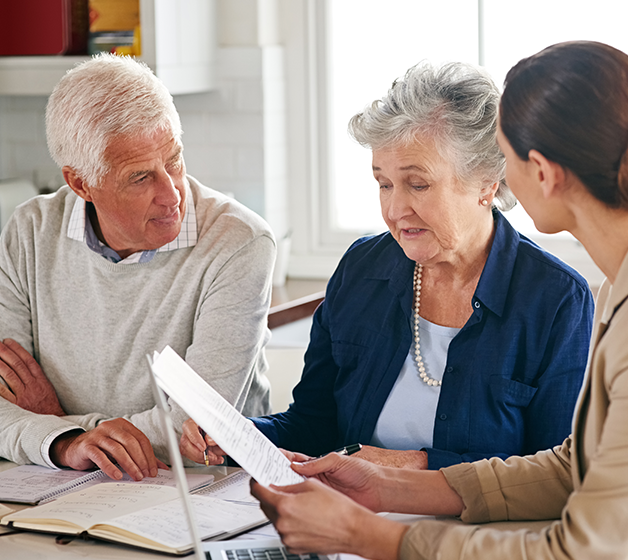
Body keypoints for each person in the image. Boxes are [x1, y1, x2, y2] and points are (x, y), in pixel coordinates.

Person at [246, 42, 628, 560]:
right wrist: (393, 489)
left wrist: (377, 539)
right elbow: (574, 465)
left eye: (503, 154)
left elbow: (582, 549)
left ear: (541, 172)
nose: (499, 175)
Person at [181, 62, 594, 470]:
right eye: (383, 184)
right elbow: (313, 424)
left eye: (418, 184)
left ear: (487, 182)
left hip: (473, 535)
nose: (395, 210)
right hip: (348, 522)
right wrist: (236, 434)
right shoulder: (362, 268)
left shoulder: (556, 300)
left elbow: (552, 475)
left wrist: (410, 467)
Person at [0, 53, 275, 482]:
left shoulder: (238, 243)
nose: (172, 195)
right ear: (80, 184)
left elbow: (195, 422)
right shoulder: (30, 232)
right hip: (58, 482)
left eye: (175, 161)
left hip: (204, 490)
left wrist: (60, 425)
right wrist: (66, 441)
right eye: (140, 178)